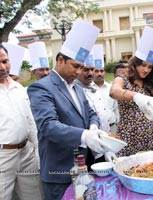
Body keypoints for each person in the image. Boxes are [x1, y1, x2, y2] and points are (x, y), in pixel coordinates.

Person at [27, 19, 113, 200]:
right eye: (75, 66)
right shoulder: (41, 88)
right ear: (60, 60)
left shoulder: (77, 88)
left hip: (84, 167)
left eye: (81, 67)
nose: (79, 71)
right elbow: (48, 126)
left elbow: (91, 113)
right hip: (59, 169)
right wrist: (84, 136)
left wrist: (94, 128)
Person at [110, 26, 153, 157]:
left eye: (149, 67)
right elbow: (113, 92)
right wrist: (135, 96)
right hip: (128, 136)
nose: (146, 70)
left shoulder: (151, 84)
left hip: (150, 136)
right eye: (143, 65)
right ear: (135, 64)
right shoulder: (123, 79)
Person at [0, 44, 43, 200]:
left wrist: (37, 150)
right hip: (3, 156)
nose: (2, 67)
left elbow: (30, 121)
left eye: (5, 61)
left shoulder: (18, 88)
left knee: (35, 195)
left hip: (26, 153)